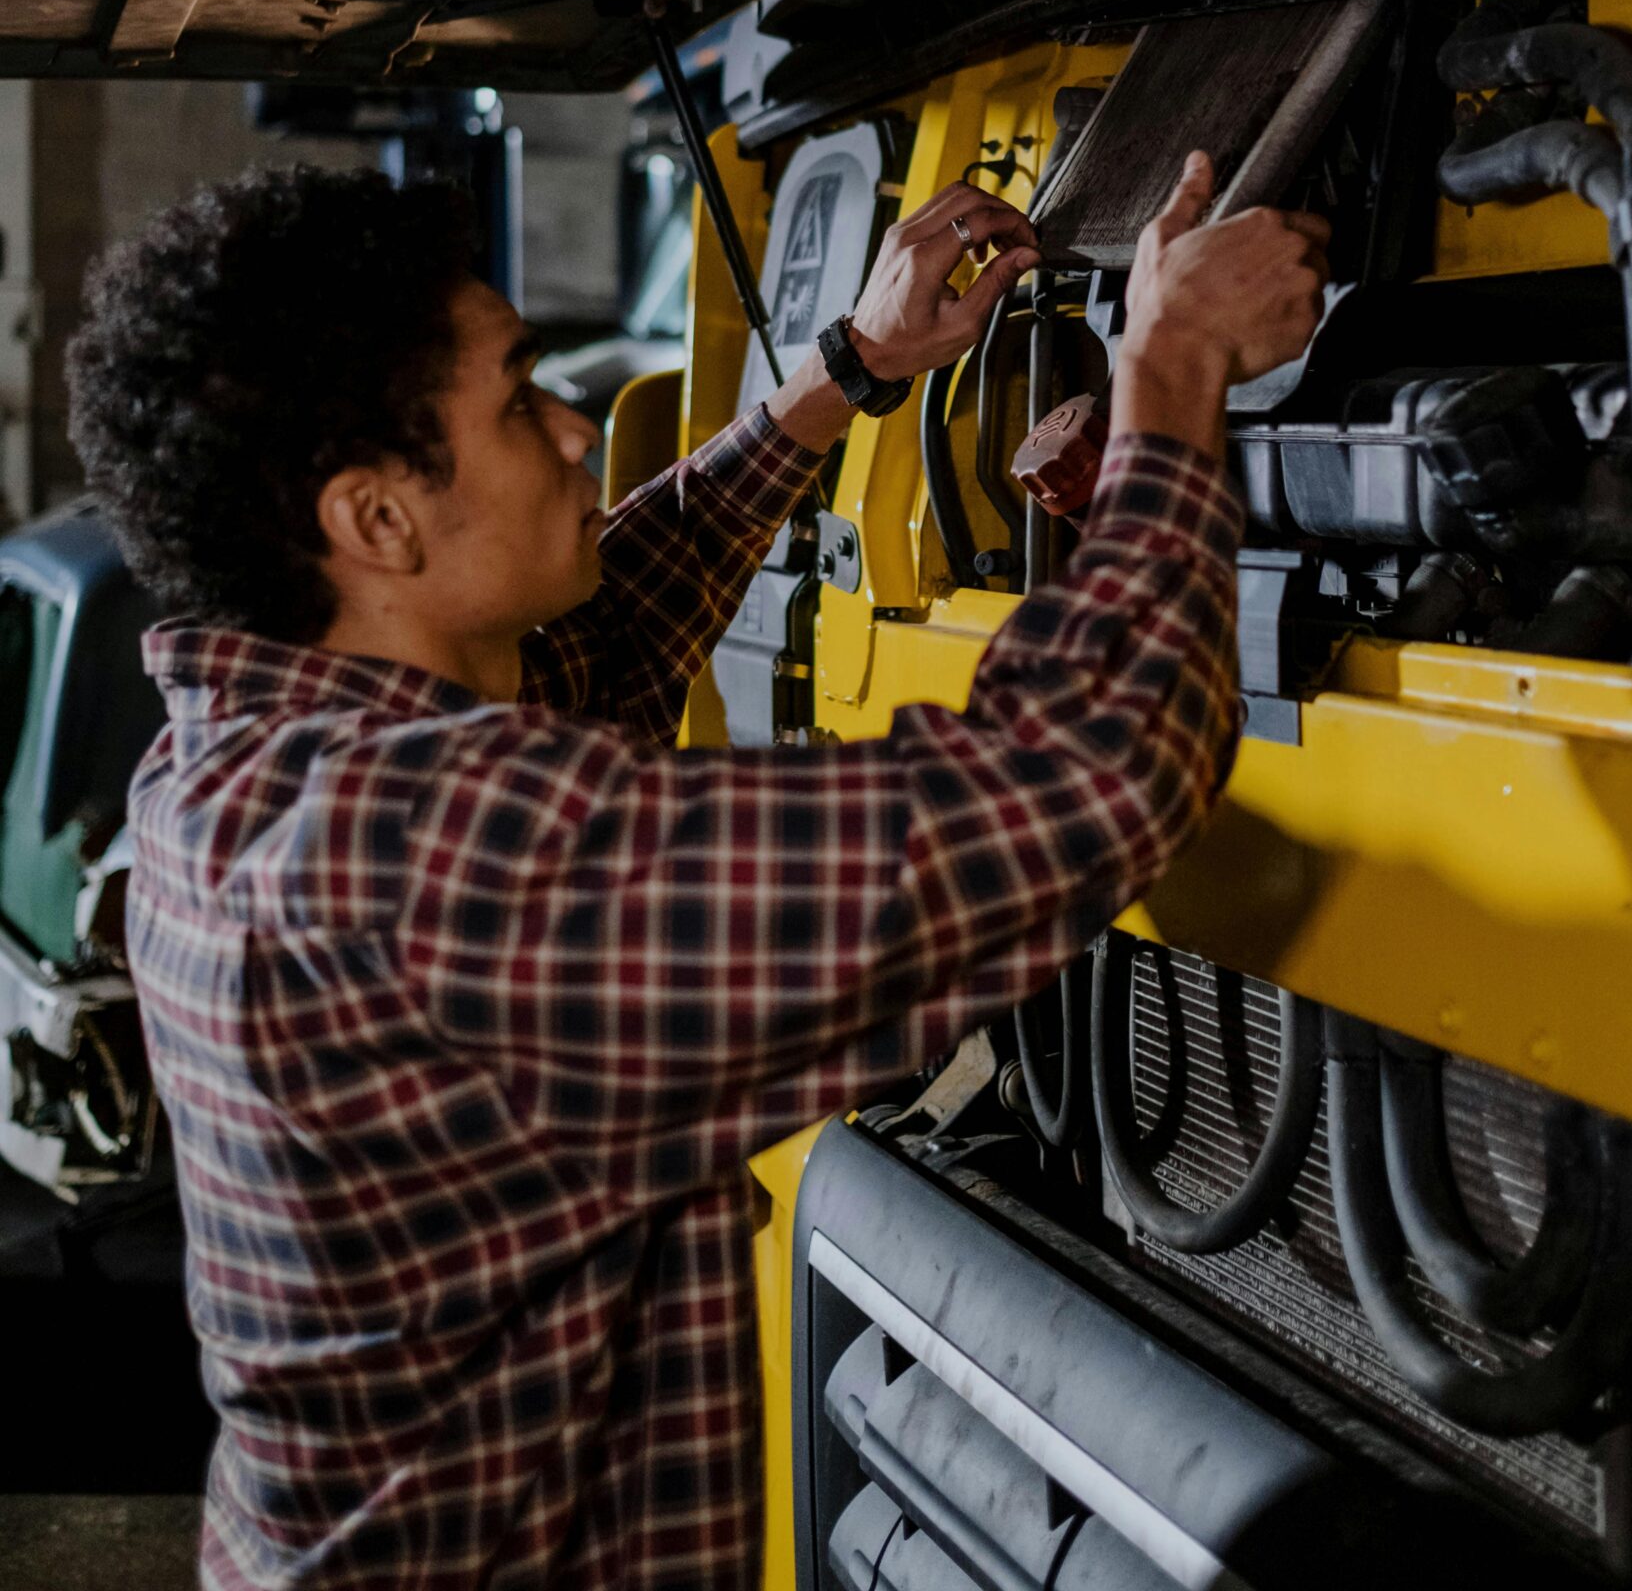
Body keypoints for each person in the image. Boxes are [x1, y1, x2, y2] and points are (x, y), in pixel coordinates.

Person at [66, 150, 1327, 1591]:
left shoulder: (249, 758)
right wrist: (1172, 372)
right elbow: (1086, 781)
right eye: (518, 396)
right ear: (377, 521)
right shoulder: (425, 863)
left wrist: (852, 369)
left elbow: (599, 644)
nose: (575, 426)